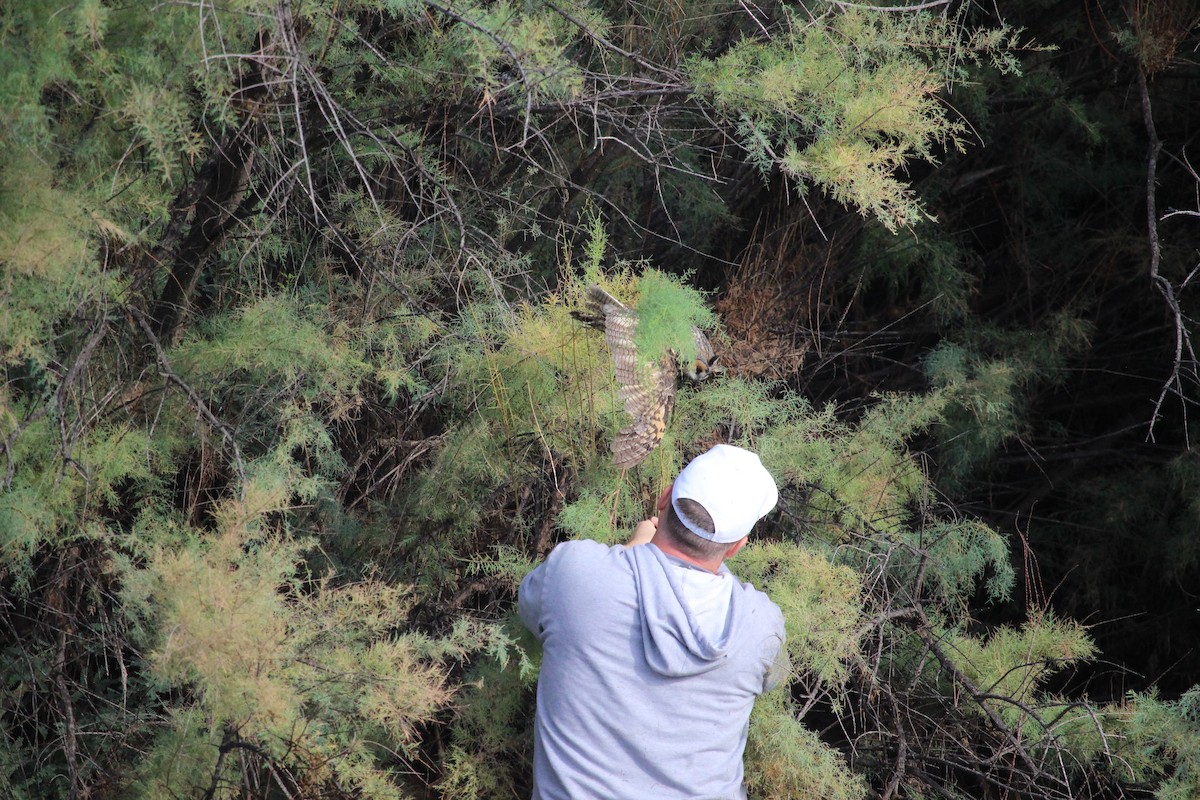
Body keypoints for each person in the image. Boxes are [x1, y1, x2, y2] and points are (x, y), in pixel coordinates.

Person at [518, 444, 788, 800]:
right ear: (738, 545)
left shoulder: (573, 571)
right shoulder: (760, 623)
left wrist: (634, 550)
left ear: (664, 498)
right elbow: (773, 679)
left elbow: (528, 609)